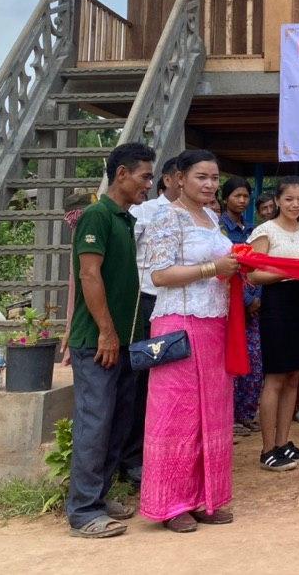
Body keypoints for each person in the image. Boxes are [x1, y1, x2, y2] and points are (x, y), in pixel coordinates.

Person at [139, 149, 240, 533]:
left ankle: (205, 497)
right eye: (202, 177)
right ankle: (170, 504)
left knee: (212, 414)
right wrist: (214, 268)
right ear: (179, 178)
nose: (210, 184)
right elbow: (160, 275)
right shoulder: (165, 216)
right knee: (176, 416)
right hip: (177, 323)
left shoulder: (212, 217)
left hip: (214, 323)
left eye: (214, 178)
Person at [66, 142, 155, 538]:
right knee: (95, 423)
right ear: (121, 174)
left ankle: (98, 498)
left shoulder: (125, 219)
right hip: (98, 342)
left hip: (124, 342)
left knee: (118, 424)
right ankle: (83, 511)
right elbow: (89, 275)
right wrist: (105, 331)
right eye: (144, 176)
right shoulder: (97, 216)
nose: (148, 185)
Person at [247, 176, 299, 471]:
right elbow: (253, 275)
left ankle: (284, 443)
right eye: (289, 199)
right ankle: (267, 450)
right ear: (277, 201)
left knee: (294, 377)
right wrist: (286, 270)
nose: (295, 204)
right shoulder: (265, 231)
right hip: (276, 305)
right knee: (275, 378)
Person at [118, 155, 179, 485]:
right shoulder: (143, 213)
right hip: (147, 302)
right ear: (170, 180)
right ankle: (132, 459)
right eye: (189, 177)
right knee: (139, 381)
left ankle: (163, 451)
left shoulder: (203, 217)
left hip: (178, 305)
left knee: (169, 381)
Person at [222, 177, 264, 437]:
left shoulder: (252, 230)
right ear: (225, 197)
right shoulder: (220, 228)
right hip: (231, 303)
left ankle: (247, 413)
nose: (242, 201)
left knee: (254, 360)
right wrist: (247, 300)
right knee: (232, 358)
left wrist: (256, 296)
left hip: (254, 299)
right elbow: (228, 269)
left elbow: (258, 264)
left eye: (245, 196)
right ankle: (231, 416)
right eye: (237, 196)